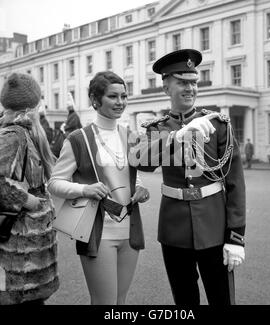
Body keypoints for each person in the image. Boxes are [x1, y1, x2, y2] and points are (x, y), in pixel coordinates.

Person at [129, 49, 246, 305]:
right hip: (174, 230)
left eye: (193, 82)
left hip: (214, 227)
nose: (190, 88)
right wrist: (175, 138)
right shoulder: (156, 128)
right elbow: (139, 160)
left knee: (221, 298)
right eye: (182, 82)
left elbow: (235, 183)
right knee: (185, 301)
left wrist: (236, 237)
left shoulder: (218, 125)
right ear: (165, 88)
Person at [48, 71, 149, 305]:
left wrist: (141, 189)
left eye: (124, 96)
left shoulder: (129, 135)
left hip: (130, 230)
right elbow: (54, 183)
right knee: (104, 303)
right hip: (97, 232)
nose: (121, 102)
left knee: (120, 302)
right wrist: (84, 190)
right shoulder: (78, 138)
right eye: (113, 96)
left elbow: (129, 176)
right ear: (95, 100)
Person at [0, 73, 59, 305]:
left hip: (28, 243)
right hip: (21, 244)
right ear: (33, 105)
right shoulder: (14, 135)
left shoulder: (20, 131)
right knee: (24, 300)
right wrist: (29, 200)